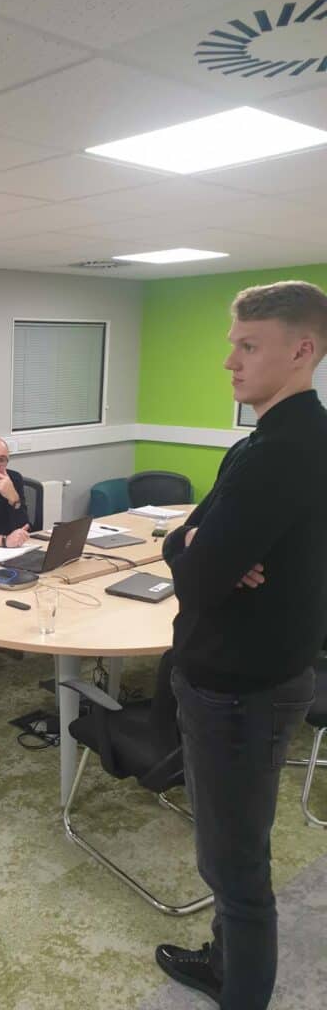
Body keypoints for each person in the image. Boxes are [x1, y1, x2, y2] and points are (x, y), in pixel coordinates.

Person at [156, 281, 327, 1009]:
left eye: (248, 346)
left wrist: (203, 553)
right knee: (235, 846)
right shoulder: (271, 443)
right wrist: (199, 545)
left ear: (302, 350)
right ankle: (226, 961)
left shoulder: (280, 454)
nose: (230, 361)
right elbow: (182, 543)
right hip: (260, 674)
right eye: (234, 345)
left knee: (233, 864)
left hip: (237, 690)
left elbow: (194, 578)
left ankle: (242, 991)